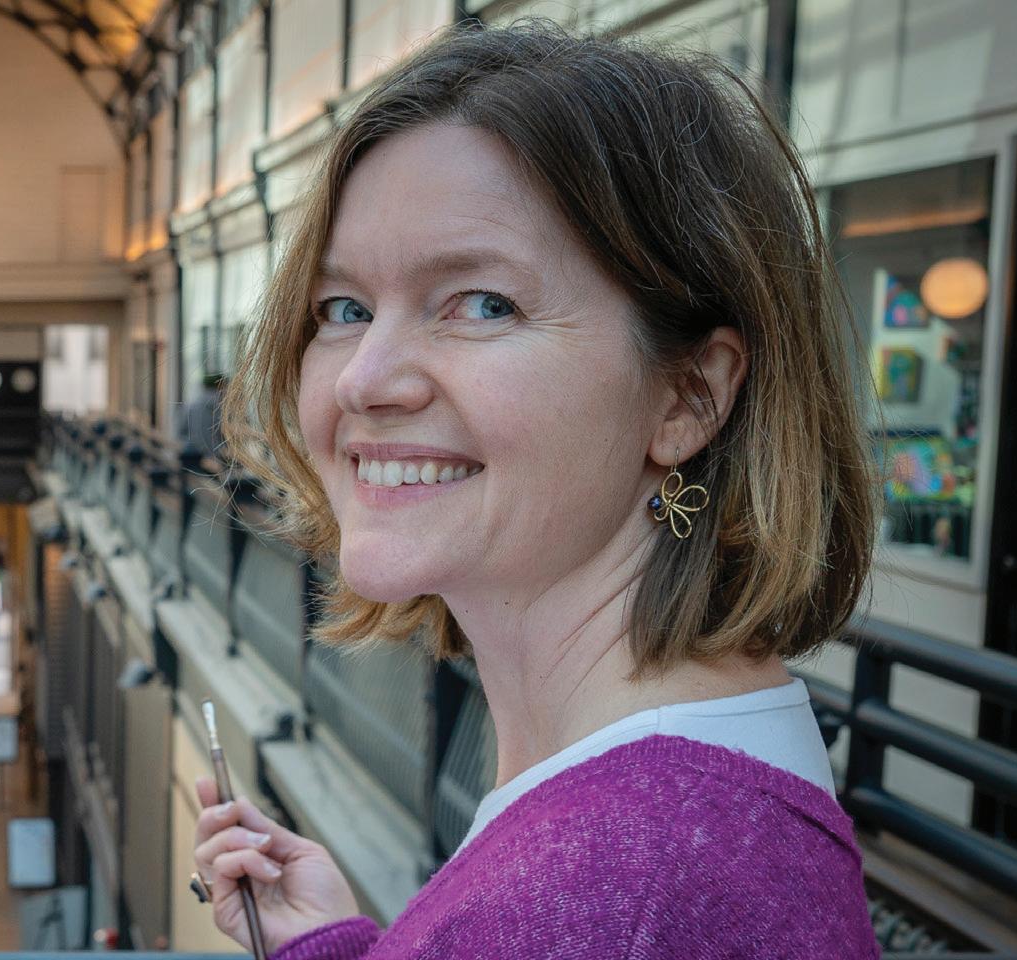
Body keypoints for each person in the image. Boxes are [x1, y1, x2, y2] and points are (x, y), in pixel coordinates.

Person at [192, 22, 880, 959]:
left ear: (688, 395)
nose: (363, 379)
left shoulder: (616, 890)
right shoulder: (662, 820)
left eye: (483, 304)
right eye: (343, 309)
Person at [179, 373, 228, 465]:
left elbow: (180, 432)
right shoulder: (219, 404)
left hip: (191, 456)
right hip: (214, 459)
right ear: (221, 386)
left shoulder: (191, 405)